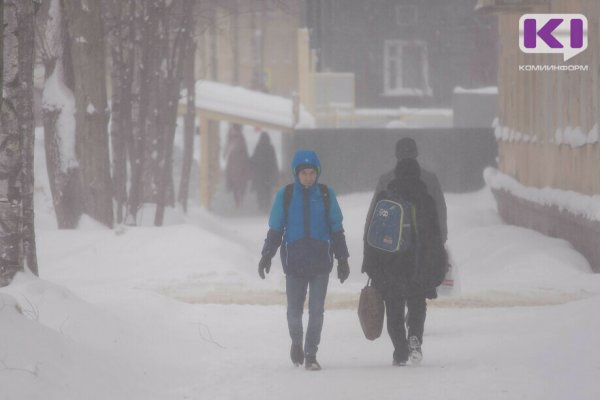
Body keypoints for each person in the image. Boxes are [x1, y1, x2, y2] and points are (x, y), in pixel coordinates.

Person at [258, 149, 350, 371]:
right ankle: (297, 342)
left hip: (320, 263)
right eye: (304, 173)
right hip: (295, 263)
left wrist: (343, 258)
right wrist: (266, 255)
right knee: (294, 311)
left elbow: (337, 229)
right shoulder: (286, 195)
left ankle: (311, 354)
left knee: (317, 311)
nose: (308, 176)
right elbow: (276, 229)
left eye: (312, 172)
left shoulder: (327, 194)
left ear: (317, 173)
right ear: (296, 174)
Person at [362, 137, 448, 366]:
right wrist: (439, 252)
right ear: (417, 155)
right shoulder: (427, 185)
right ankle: (415, 338)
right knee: (417, 302)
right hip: (419, 260)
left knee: (394, 306)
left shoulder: (386, 183)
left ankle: (400, 349)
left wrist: (369, 258)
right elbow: (439, 216)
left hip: (391, 260)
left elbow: (373, 222)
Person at [250, 131, 279, 212]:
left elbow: (253, 160)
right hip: (268, 175)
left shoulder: (258, 147)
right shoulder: (270, 148)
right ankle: (266, 206)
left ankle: (261, 206)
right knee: (268, 192)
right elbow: (274, 161)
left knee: (260, 192)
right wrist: (275, 174)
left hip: (260, 175)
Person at [223, 124, 250, 208]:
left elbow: (227, 151)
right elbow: (245, 152)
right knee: (240, 184)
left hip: (234, 166)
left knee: (236, 185)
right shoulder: (240, 139)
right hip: (240, 166)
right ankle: (239, 201)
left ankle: (238, 202)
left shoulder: (231, 139)